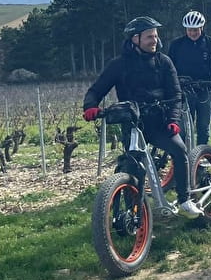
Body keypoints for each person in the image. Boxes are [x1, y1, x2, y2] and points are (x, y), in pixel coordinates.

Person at [82, 16, 203, 218]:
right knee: (132, 167)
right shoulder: (118, 64)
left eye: (155, 36)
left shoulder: (164, 62)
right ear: (135, 39)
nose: (154, 40)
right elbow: (96, 90)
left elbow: (175, 95)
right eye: (149, 36)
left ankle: (184, 199)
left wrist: (173, 120)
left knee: (179, 150)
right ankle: (132, 211)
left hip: (160, 122)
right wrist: (90, 106)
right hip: (132, 123)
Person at [167, 10, 211, 146]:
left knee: (203, 126)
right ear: (185, 29)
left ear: (202, 28)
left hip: (206, 90)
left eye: (195, 30)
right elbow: (169, 69)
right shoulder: (177, 45)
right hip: (184, 90)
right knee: (183, 127)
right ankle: (184, 157)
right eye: (189, 30)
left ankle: (202, 157)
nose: (192, 33)